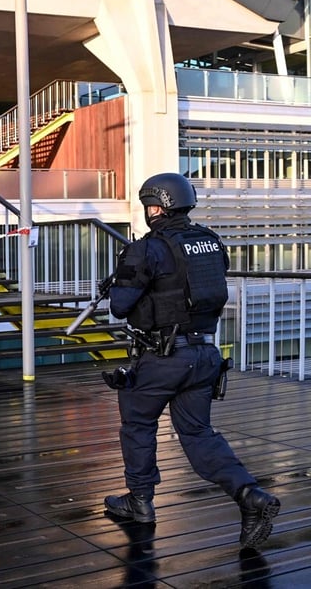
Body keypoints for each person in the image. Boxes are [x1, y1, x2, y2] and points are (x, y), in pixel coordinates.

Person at [102, 172, 280, 550]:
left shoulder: (148, 247)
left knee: (137, 424)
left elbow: (120, 306)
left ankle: (140, 501)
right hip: (204, 355)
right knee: (198, 434)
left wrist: (121, 278)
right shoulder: (209, 242)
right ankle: (249, 494)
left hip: (162, 358)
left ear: (156, 207)